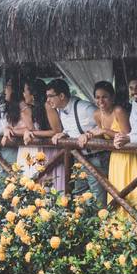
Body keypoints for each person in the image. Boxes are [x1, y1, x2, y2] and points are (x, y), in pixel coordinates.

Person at [83, 81, 137, 212]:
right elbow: (100, 137)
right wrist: (88, 135)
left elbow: (128, 137)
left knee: (133, 193)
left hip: (130, 156)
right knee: (118, 193)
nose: (101, 101)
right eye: (97, 97)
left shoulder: (118, 111)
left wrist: (105, 131)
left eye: (105, 97)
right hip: (116, 158)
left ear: (112, 98)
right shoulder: (97, 114)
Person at [47, 79, 107, 208]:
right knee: (79, 196)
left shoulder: (85, 108)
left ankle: (103, 226)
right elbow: (72, 127)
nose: (48, 100)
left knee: (98, 197)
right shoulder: (60, 110)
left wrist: (89, 134)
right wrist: (64, 133)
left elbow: (105, 125)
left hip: (96, 158)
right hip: (79, 160)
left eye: (51, 96)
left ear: (62, 96)